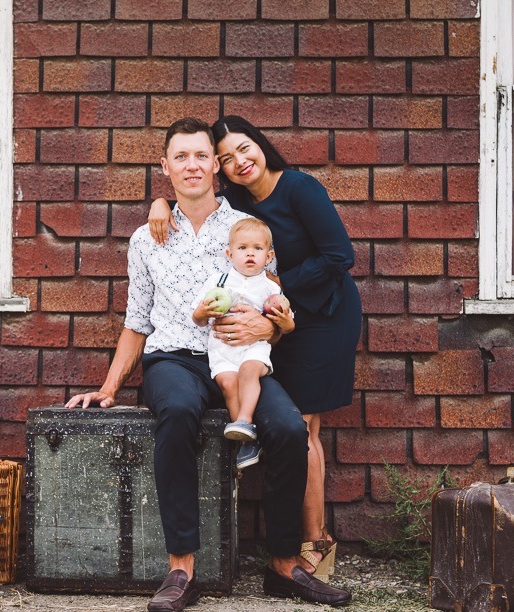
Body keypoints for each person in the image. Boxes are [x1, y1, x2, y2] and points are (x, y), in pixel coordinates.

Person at [67, 118, 351, 611]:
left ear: (216, 168)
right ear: (165, 167)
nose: (192, 165)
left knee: (287, 428)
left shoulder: (245, 228)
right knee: (176, 413)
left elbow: (277, 301)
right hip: (173, 358)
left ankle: (284, 565)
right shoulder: (146, 238)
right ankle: (182, 569)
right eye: (181, 157)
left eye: (201, 155)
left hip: (239, 358)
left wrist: (274, 327)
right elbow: (137, 322)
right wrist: (110, 386)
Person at [148, 115, 362, 581]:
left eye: (244, 148)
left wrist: (274, 295)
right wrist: (160, 201)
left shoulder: (298, 190)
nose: (238, 161)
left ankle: (311, 551)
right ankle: (280, 552)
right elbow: (190, 190)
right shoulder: (240, 200)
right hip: (263, 321)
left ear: (261, 144)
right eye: (226, 157)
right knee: (291, 422)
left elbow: (339, 257)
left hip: (322, 314)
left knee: (301, 425)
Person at [191, 217, 294, 470]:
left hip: (253, 348)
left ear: (269, 256)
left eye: (257, 249)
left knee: (249, 372)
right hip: (222, 349)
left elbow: (289, 326)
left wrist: (283, 321)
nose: (250, 254)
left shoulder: (270, 289)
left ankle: (245, 421)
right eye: (243, 248)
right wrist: (205, 312)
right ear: (229, 253)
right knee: (227, 384)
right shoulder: (219, 282)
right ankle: (248, 441)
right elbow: (197, 318)